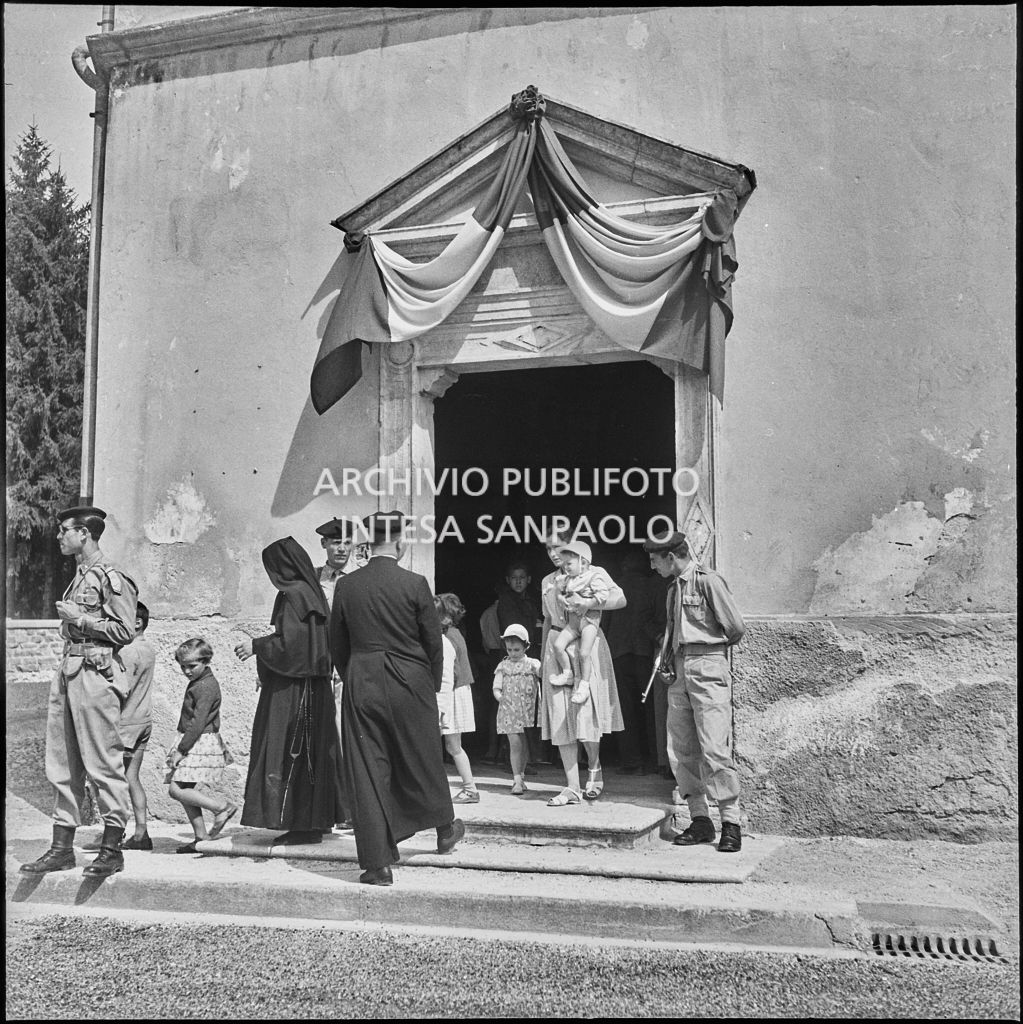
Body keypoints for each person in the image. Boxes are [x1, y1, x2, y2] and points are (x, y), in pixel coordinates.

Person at [329, 510, 465, 886]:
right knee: (421, 755)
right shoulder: (416, 583)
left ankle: (377, 865)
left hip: (362, 680)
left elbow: (336, 644)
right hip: (411, 680)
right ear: (401, 542)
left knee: (367, 768)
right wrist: (431, 686)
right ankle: (444, 828)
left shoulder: (347, 586)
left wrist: (354, 673)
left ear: (369, 543)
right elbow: (433, 643)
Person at [21, 503, 139, 878]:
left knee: (103, 763)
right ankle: (61, 848)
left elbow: (126, 632)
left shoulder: (110, 577)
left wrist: (81, 620)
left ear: (83, 534)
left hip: (95, 675)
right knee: (62, 764)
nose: (58, 537)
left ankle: (111, 849)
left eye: (63, 530)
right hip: (69, 672)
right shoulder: (79, 577)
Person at [235, 537, 345, 843]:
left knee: (290, 750)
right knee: (314, 754)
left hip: (296, 691)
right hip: (314, 688)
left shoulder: (293, 595)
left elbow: (291, 646)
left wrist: (255, 645)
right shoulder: (312, 594)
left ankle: (301, 826)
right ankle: (315, 822)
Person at [644, 529, 747, 854]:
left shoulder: (707, 581)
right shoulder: (672, 589)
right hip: (679, 669)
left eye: (655, 560)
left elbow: (735, 628)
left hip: (707, 665)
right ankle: (700, 820)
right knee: (683, 748)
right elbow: (674, 630)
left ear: (672, 557)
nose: (653, 567)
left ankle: (730, 823)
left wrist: (707, 654)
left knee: (715, 747)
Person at [538, 532, 626, 806]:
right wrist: (544, 658)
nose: (554, 553)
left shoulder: (593, 571)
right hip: (558, 644)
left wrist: (589, 602)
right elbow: (548, 618)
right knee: (560, 712)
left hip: (586, 643)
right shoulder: (548, 581)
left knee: (586, 713)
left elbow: (620, 599)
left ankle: (594, 767)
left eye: (558, 547)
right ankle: (572, 785)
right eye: (549, 548)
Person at [165, 638, 237, 853]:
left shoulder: (205, 686)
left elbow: (198, 722)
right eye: (183, 666)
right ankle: (200, 837)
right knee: (185, 789)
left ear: (206, 661)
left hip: (198, 741)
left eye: (192, 666)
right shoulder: (200, 682)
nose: (186, 671)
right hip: (195, 740)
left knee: (176, 789)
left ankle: (221, 808)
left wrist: (181, 749)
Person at [602, 552, 660, 774]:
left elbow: (604, 622)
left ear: (623, 566)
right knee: (651, 709)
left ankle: (631, 761)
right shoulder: (651, 585)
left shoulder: (615, 585)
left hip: (619, 653)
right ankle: (657, 759)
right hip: (645, 652)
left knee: (624, 708)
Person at [548, 541, 613, 706]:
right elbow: (559, 593)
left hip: (589, 621)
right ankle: (567, 672)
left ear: (583, 562)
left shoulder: (594, 576)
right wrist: (561, 596)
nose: (566, 567)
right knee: (558, 645)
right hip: (573, 623)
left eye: (569, 563)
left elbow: (603, 594)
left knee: (584, 653)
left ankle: (583, 686)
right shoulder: (567, 579)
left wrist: (587, 603)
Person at [496, 561, 545, 766]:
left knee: (529, 713)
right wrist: (534, 628)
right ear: (508, 580)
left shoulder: (532, 599)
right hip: (514, 660)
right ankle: (512, 762)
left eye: (522, 577)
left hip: (528, 659)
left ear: (529, 580)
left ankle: (529, 760)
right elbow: (516, 631)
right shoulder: (506, 600)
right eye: (514, 577)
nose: (518, 581)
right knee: (512, 719)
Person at [118, 600, 157, 850]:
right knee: (132, 777)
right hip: (143, 720)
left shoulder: (128, 652)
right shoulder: (148, 648)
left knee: (114, 780)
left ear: (136, 623)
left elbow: (121, 688)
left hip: (126, 723)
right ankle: (141, 833)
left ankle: (114, 834)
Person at [435, 595, 479, 804]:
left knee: (452, 746)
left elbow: (449, 672)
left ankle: (470, 789)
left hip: (451, 692)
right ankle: (469, 788)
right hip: (456, 691)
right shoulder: (455, 633)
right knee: (453, 746)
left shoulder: (448, 637)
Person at [492, 624, 542, 796]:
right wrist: (501, 698)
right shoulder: (503, 666)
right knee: (514, 744)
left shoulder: (531, 664)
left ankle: (521, 776)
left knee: (523, 743)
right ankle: (516, 780)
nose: (513, 653)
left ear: (526, 647)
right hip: (509, 710)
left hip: (527, 711)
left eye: (517, 649)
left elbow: (542, 673)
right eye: (510, 649)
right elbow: (496, 687)